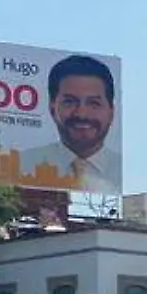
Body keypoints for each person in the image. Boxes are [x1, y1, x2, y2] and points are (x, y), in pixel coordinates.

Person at [19, 54, 119, 194]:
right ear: (52, 107)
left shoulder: (124, 169)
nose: (81, 114)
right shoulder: (22, 165)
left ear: (111, 111)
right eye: (69, 102)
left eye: (93, 103)